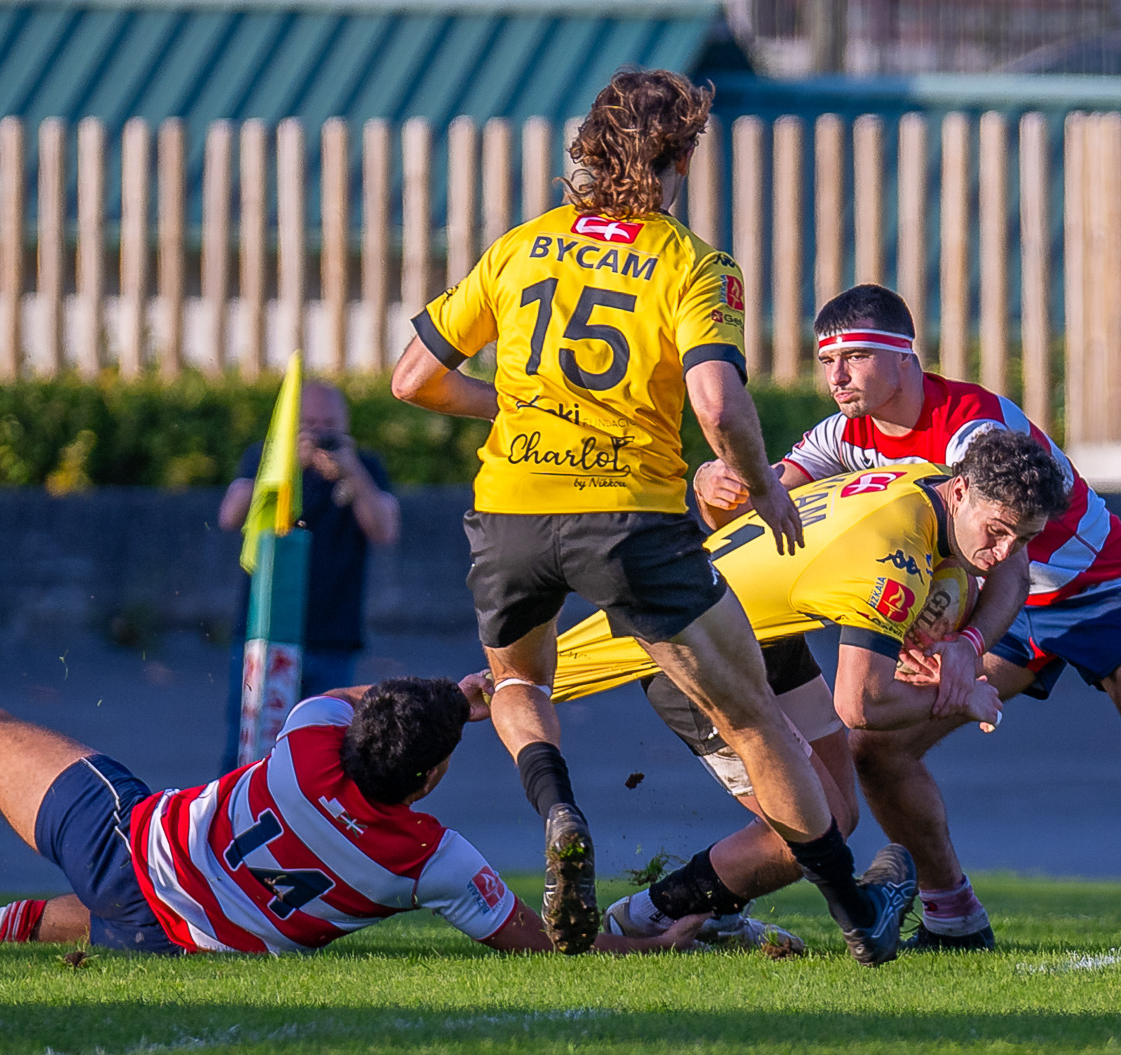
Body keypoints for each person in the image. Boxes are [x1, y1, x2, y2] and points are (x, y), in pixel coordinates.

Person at [390, 68, 915, 965]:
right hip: (630, 519)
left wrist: (522, 408)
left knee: (522, 684)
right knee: (754, 718)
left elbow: (413, 378)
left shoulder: (523, 246)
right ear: (678, 159)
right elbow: (716, 402)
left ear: (589, 154)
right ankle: (858, 916)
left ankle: (558, 808)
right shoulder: (691, 262)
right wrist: (765, 483)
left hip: (510, 510)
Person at [692, 283, 1121, 956]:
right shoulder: (844, 432)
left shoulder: (975, 429)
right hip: (1013, 605)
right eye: (827, 360)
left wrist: (967, 642)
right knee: (876, 749)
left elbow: (1009, 558)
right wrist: (720, 489)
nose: (836, 376)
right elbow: (766, 498)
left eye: (855, 357)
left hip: (1102, 589)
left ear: (904, 357)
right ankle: (956, 919)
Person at [0, 638, 706, 956]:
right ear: (434, 774)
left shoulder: (312, 727)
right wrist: (665, 936)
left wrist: (461, 691)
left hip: (129, 846)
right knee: (173, 909)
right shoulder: (432, 857)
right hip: (177, 936)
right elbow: (539, 945)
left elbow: (367, 700)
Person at [549, 430, 1063, 944]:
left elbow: (1010, 563)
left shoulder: (923, 476)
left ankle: (717, 917)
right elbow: (860, 704)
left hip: (758, 634)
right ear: (960, 491)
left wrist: (967, 645)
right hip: (690, 651)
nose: (1003, 552)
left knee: (840, 809)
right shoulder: (894, 557)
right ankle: (641, 918)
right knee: (817, 826)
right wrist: (957, 697)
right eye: (996, 532)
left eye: (1022, 538)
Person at [217, 379, 400, 773]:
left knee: (326, 751)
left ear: (345, 424)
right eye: (310, 423)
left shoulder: (364, 466)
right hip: (265, 635)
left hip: (333, 635)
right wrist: (283, 470)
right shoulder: (264, 459)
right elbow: (230, 514)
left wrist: (350, 473)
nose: (320, 434)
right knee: (247, 749)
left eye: (329, 423)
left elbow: (385, 530)